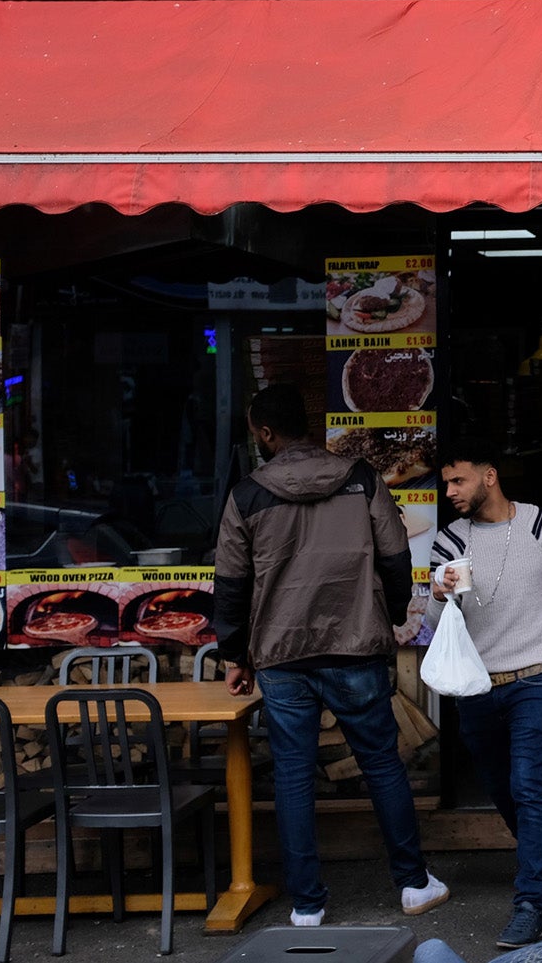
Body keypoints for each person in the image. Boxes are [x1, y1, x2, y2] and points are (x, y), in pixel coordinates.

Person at [213, 384, 449, 927]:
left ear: (266, 434)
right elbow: (395, 558)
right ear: (309, 426)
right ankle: (413, 885)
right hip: (356, 646)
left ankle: (306, 905)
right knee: (383, 764)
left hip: (280, 654)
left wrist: (234, 655)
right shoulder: (362, 478)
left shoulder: (247, 495)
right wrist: (389, 616)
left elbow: (230, 584)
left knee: (293, 776)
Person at [424, 446, 542, 949]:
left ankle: (529, 903)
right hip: (476, 683)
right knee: (499, 784)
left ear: (489, 476)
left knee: (527, 782)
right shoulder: (449, 540)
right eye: (446, 484)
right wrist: (439, 594)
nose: (451, 493)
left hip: (537, 674)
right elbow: (427, 619)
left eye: (459, 481)